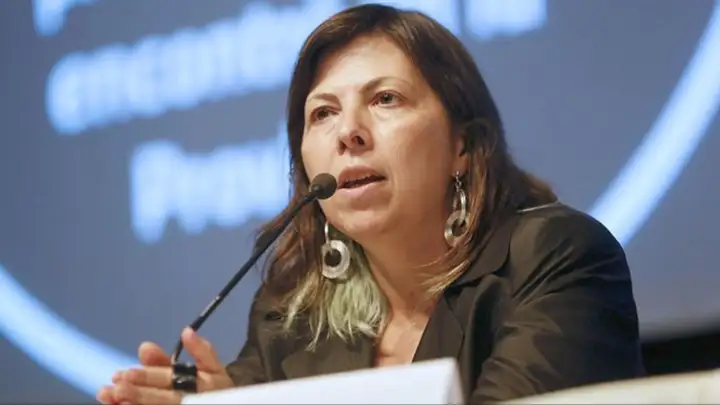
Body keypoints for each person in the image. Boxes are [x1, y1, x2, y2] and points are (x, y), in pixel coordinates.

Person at [97, 3, 645, 404]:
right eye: (323, 113)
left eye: (385, 99)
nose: (349, 133)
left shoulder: (557, 259)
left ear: (463, 145)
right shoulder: (291, 316)